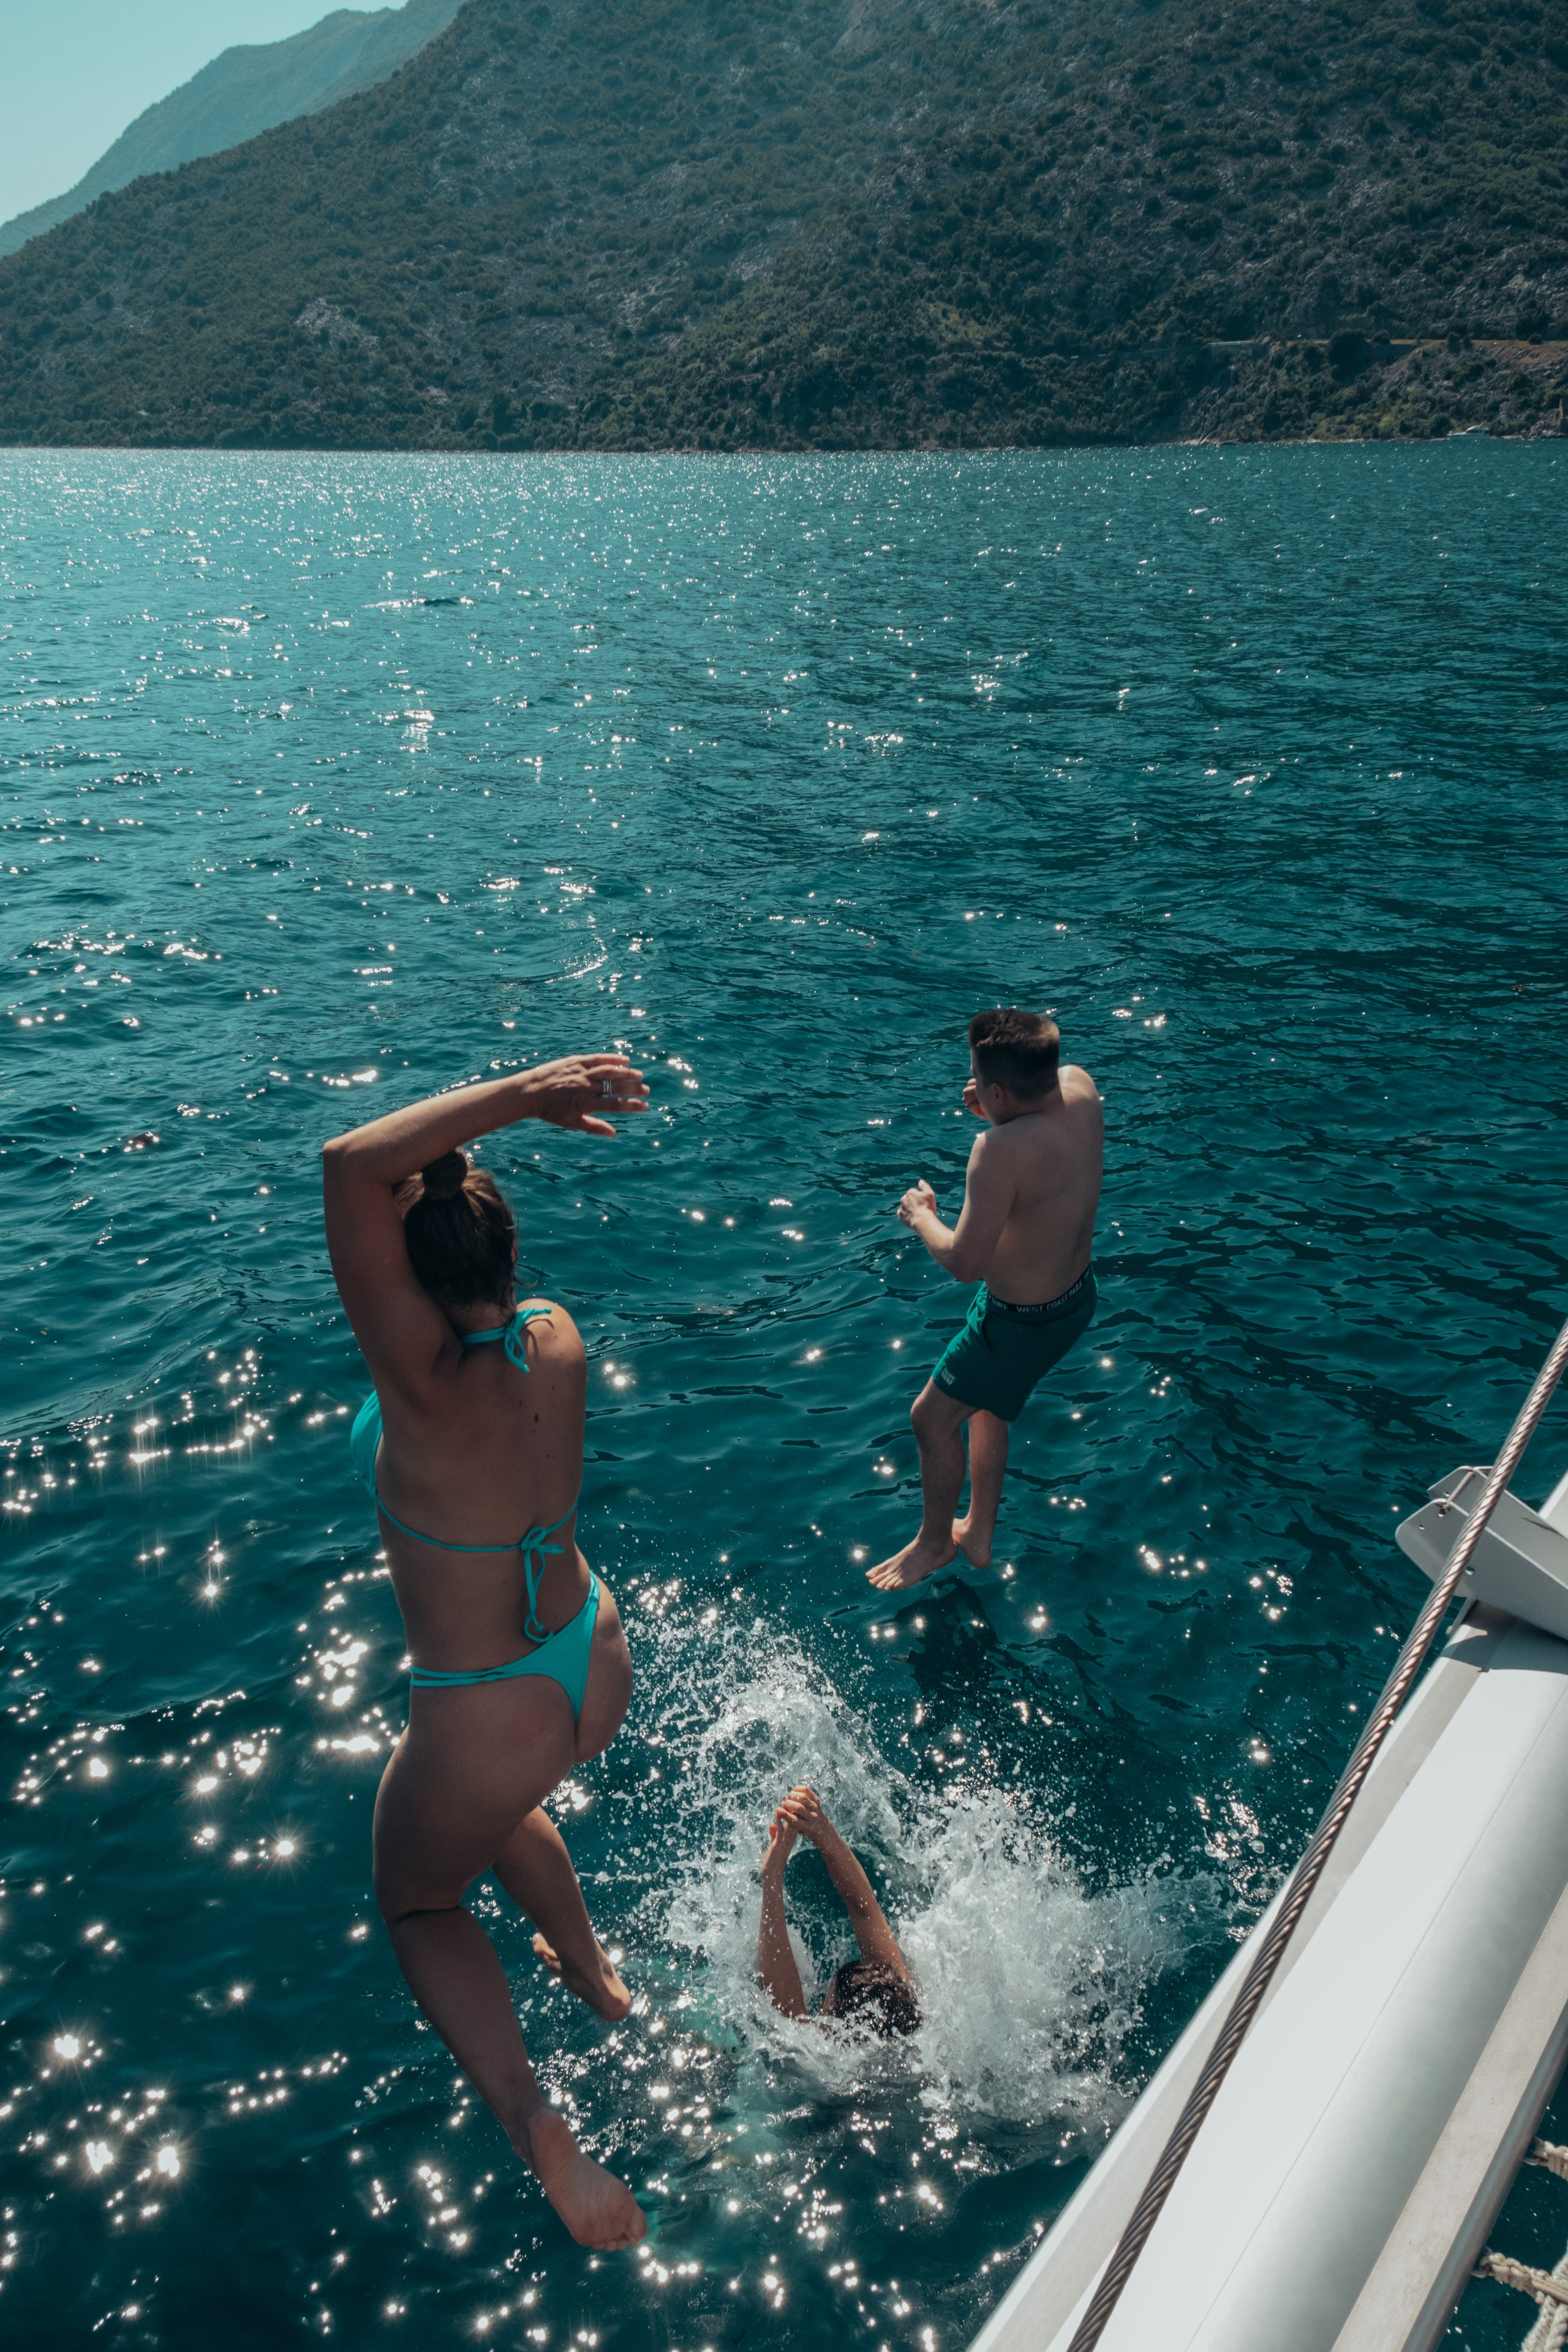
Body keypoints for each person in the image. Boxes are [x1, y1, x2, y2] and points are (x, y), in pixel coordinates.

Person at [322, 1052, 650, 2251]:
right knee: (502, 1803)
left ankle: (535, 2124)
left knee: (417, 1898)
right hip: (587, 1659)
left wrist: (521, 1093)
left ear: (403, 1285)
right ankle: (597, 1981)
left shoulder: (416, 1389)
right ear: (508, 1256)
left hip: (485, 1705)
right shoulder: (550, 1336)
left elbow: (347, 1165)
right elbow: (415, 1213)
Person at [867, 1007, 1103, 1592]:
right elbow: (1036, 1144)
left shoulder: (996, 1151)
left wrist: (922, 1217)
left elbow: (966, 1265)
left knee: (931, 1419)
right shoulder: (1080, 1086)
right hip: (1073, 1298)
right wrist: (1002, 1107)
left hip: (1022, 1321)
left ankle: (933, 1543)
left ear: (999, 1089)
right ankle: (977, 1535)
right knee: (986, 1404)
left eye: (979, 1079)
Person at [756, 1785, 919, 2035]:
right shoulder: (908, 2018)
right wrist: (822, 1830)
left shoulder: (821, 2068)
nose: (820, 2004)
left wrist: (771, 1878)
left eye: (826, 2003)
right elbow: (864, 1910)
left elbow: (788, 2013)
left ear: (838, 2034)